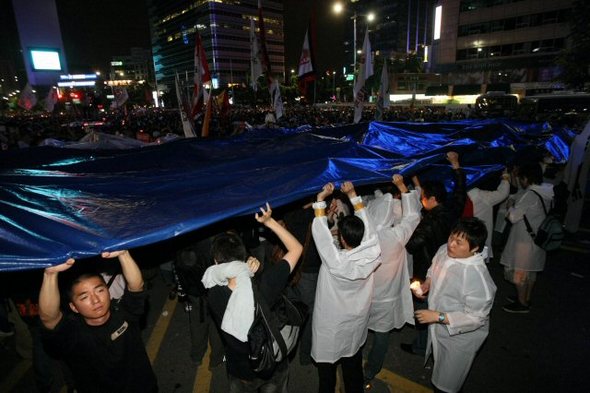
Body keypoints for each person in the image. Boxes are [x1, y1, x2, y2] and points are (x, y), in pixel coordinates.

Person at [203, 203, 303, 393]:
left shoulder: (213, 292)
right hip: (270, 365)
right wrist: (269, 221)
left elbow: (220, 276)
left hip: (239, 370)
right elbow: (296, 249)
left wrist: (246, 270)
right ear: (244, 255)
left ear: (216, 262)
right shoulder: (264, 284)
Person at [39, 250, 158, 393]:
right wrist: (50, 275)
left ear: (108, 292)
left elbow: (136, 287)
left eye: (100, 290)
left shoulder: (123, 313)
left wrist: (124, 254)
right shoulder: (72, 333)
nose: (95, 300)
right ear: (73, 307)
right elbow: (49, 318)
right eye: (84, 297)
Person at [311, 182, 381, 393]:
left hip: (331, 325)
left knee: (327, 374)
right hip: (355, 322)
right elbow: (370, 230)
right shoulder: (373, 252)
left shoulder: (335, 261)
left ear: (341, 237)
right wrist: (353, 195)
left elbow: (321, 234)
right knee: (352, 366)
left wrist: (320, 199)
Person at [414, 218, 496, 393]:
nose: (451, 244)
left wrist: (438, 316)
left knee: (447, 382)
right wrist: (427, 283)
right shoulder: (445, 249)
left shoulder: (477, 277)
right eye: (452, 237)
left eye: (459, 242)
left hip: (460, 337)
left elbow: (477, 317)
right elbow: (433, 268)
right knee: (439, 363)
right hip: (439, 326)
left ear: (474, 248)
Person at [402, 151, 467, 356]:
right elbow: (460, 191)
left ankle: (422, 346)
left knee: (424, 307)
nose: (421, 201)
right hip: (449, 266)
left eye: (422, 198)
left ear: (431, 199)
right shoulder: (452, 209)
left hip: (427, 269)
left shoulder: (429, 222)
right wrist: (456, 165)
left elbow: (411, 245)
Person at [363, 175, 422, 389]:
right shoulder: (395, 235)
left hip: (363, 293)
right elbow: (413, 216)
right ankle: (370, 370)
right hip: (386, 297)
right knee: (381, 335)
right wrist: (402, 187)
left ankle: (352, 360)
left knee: (359, 329)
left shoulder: (364, 233)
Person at [500, 163, 554, 313]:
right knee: (530, 272)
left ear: (526, 178)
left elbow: (512, 217)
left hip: (524, 240)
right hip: (537, 238)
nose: (521, 181)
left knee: (519, 273)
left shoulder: (530, 195)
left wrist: (510, 205)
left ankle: (522, 304)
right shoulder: (546, 191)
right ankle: (526, 297)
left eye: (521, 178)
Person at [466, 170, 511, 262]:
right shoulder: (478, 195)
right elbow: (503, 193)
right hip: (476, 239)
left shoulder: (453, 192)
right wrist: (505, 176)